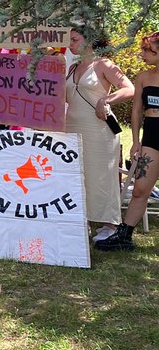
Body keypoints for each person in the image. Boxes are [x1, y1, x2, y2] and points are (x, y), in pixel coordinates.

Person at [65, 26, 134, 241]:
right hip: (72, 127)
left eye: (75, 40)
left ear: (90, 41)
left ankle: (111, 224)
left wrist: (106, 99)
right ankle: (82, 219)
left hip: (98, 129)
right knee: (78, 175)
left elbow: (129, 88)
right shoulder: (72, 67)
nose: (70, 44)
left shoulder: (104, 64)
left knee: (102, 176)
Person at [98, 32, 159, 251]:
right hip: (151, 136)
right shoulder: (143, 77)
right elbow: (136, 111)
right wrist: (135, 141)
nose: (141, 54)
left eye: (147, 50)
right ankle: (124, 236)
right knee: (140, 189)